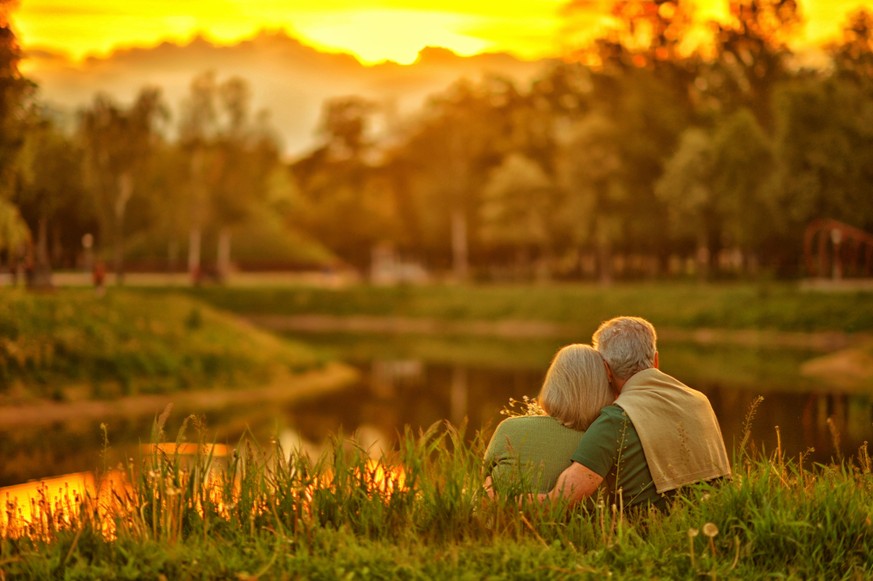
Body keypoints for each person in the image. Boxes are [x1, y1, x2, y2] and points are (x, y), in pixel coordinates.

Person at [543, 316, 731, 510]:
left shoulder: (616, 419)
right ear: (656, 360)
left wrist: (514, 499)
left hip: (648, 534)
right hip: (713, 520)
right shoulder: (700, 400)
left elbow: (560, 501)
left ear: (606, 370)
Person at [484, 344, 614, 495]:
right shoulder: (606, 442)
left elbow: (485, 476)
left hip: (499, 516)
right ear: (603, 388)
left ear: (553, 383)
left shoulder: (509, 428)